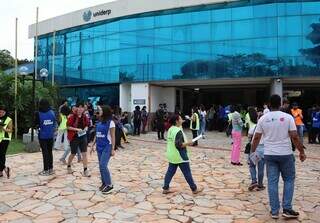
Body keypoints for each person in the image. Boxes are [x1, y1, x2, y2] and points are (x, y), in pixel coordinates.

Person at [251, 94, 306, 220]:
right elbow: (295, 136)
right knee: (289, 180)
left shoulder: (263, 119)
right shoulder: (288, 117)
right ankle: (287, 208)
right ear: (280, 103)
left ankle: (274, 211)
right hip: (286, 154)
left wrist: (253, 152)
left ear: (269, 104)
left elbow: (257, 137)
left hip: (269, 154)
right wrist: (301, 152)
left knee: (272, 182)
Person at [162, 114, 203, 194]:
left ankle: (165, 188)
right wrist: (189, 143)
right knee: (187, 172)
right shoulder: (178, 131)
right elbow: (179, 145)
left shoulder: (171, 129)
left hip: (172, 154)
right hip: (180, 155)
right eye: (180, 119)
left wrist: (187, 119)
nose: (182, 120)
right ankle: (194, 189)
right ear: (177, 121)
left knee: (170, 172)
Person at [91, 105, 116, 194]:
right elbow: (96, 134)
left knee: (103, 165)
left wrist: (113, 149)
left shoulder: (111, 123)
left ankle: (109, 185)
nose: (99, 111)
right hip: (99, 146)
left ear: (105, 112)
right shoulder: (99, 122)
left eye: (101, 110)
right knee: (100, 166)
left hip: (107, 146)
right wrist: (92, 145)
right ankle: (104, 183)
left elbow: (113, 136)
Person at [66, 102, 91, 177]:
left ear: (84, 109)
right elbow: (68, 127)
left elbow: (87, 124)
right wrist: (76, 129)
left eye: (82, 107)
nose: (80, 109)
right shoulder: (72, 117)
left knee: (84, 154)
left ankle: (85, 170)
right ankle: (69, 166)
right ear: (76, 108)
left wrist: (86, 128)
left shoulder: (84, 117)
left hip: (83, 137)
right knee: (73, 153)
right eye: (79, 107)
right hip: (74, 137)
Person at [35, 99, 56, 176]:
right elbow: (54, 122)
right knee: (50, 152)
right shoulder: (52, 112)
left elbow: (36, 124)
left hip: (42, 136)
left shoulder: (38, 113)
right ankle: (51, 169)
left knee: (45, 153)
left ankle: (45, 170)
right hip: (50, 135)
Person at [247, 110, 265, 191]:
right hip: (263, 149)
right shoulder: (267, 129)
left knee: (252, 165)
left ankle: (254, 181)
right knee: (261, 168)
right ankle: (260, 185)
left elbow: (249, 137)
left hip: (254, 148)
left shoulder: (254, 127)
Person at [0, 105, 12, 178]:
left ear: (5, 112)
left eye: (2, 112)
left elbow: (10, 130)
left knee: (2, 154)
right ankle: (4, 168)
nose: (0, 113)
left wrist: (3, 129)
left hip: (5, 139)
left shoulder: (8, 119)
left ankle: (1, 171)